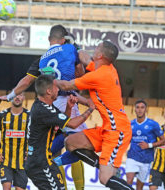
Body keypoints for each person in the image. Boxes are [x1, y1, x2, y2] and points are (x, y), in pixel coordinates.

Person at [0, 24, 88, 189]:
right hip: (66, 98)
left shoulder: (42, 59)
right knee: (81, 144)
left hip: (50, 104)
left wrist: (9, 96)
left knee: (53, 148)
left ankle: (58, 177)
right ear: (64, 39)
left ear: (49, 39)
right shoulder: (69, 49)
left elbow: (26, 81)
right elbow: (81, 73)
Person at [56, 41, 134, 190]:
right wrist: (75, 47)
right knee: (71, 142)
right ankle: (106, 167)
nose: (94, 49)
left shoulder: (99, 76)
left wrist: (48, 79)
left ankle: (108, 171)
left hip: (117, 131)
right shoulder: (106, 68)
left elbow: (66, 85)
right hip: (108, 127)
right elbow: (85, 59)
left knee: (104, 179)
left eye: (97, 47)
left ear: (100, 55)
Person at [25, 75, 94, 190]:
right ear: (48, 91)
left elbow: (63, 123)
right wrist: (91, 108)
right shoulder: (44, 110)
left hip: (44, 162)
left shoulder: (44, 107)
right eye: (56, 87)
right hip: (40, 164)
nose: (59, 89)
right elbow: (73, 124)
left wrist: (69, 108)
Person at [0, 93, 30, 190]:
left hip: (23, 161)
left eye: (20, 95)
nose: (17, 97)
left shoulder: (30, 116)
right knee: (6, 187)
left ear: (24, 98)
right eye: (15, 95)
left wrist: (31, 152)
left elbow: (36, 135)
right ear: (10, 98)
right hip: (5, 159)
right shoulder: (2, 115)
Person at [125, 100, 165, 190]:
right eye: (137, 107)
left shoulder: (153, 124)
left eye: (142, 107)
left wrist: (149, 145)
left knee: (139, 187)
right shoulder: (130, 124)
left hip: (146, 160)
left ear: (146, 110)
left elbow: (163, 141)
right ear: (134, 110)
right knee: (129, 180)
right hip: (132, 157)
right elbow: (126, 139)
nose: (140, 110)